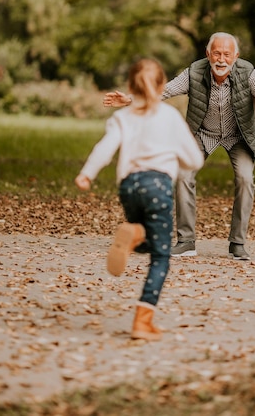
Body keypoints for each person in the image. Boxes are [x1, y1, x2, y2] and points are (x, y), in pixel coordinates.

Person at [103, 32, 255, 262]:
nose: (221, 59)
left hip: (238, 136)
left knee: (245, 179)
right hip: (202, 133)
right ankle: (186, 241)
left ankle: (237, 243)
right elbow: (165, 91)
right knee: (183, 176)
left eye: (227, 54)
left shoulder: (247, 72)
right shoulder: (194, 72)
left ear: (235, 56)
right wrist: (131, 100)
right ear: (208, 53)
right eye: (217, 53)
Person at [75, 58, 204, 341]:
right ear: (161, 86)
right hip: (157, 187)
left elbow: (105, 148)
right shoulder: (169, 117)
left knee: (146, 240)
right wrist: (178, 159)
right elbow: (194, 158)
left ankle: (134, 232)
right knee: (160, 256)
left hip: (129, 187)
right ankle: (142, 322)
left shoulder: (123, 117)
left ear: (130, 87)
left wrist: (87, 174)